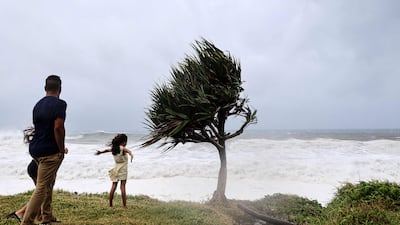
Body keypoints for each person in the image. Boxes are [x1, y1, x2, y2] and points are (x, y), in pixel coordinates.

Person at [21, 75, 67, 225]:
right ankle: (26, 221)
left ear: (45, 89)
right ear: (60, 89)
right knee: (42, 187)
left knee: (48, 183)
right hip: (50, 152)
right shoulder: (60, 104)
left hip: (36, 149)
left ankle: (47, 217)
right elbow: (58, 127)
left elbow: (42, 129)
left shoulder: (38, 105)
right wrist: (60, 150)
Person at [5, 127, 64, 223]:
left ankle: (44, 216)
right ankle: (20, 213)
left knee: (44, 193)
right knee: (42, 193)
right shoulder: (47, 139)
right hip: (35, 169)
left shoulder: (43, 140)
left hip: (34, 168)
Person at [96, 134, 133, 208]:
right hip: (123, 169)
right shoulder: (122, 148)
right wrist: (131, 154)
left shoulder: (114, 148)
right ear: (123, 142)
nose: (126, 143)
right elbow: (129, 151)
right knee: (122, 186)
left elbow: (107, 150)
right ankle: (124, 206)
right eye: (126, 142)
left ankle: (110, 205)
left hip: (116, 168)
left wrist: (100, 152)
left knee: (113, 186)